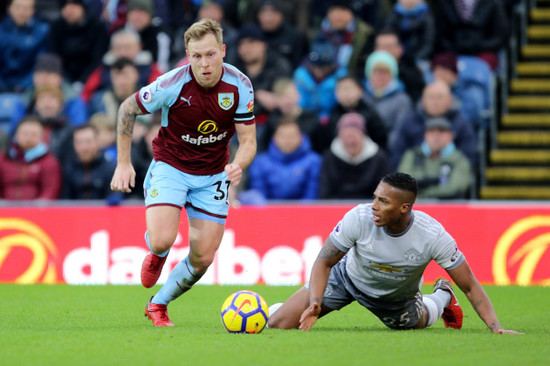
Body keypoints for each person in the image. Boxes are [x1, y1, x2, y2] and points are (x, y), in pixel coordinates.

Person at [110, 19, 257, 327]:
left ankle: (158, 304)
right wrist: (123, 163)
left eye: (210, 54)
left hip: (214, 173)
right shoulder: (172, 83)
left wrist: (237, 165)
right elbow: (127, 108)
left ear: (223, 51)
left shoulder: (240, 85)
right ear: (188, 56)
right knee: (164, 239)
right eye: (196, 56)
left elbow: (248, 141)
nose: (204, 64)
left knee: (203, 257)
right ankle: (157, 253)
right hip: (171, 166)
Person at [268, 172, 522, 335]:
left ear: (404, 207)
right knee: (278, 323)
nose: (374, 207)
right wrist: (315, 300)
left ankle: (443, 295)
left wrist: (496, 328)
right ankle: (277, 309)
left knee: (418, 322)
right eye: (375, 198)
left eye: (384, 202)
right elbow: (323, 262)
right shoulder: (358, 217)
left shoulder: (432, 235)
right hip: (347, 279)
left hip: (396, 298)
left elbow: (470, 285)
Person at [391, 80, 477, 169]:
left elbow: (468, 157)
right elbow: (398, 154)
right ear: (423, 100)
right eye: (431, 97)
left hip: (450, 173)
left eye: (440, 97)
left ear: (450, 100)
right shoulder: (410, 121)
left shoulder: (461, 124)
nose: (435, 102)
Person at [319, 112, 391, 199]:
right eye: (346, 136)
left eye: (353, 135)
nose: (350, 141)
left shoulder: (379, 158)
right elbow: (325, 193)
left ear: (363, 135)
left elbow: (384, 194)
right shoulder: (329, 157)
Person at [247, 118, 322, 201]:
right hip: (268, 212)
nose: (287, 140)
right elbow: (259, 197)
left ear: (301, 138)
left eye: (291, 136)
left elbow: (312, 196)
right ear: (274, 138)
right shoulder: (259, 163)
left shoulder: (314, 161)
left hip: (305, 212)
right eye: (282, 136)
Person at [397, 117, 472, 199]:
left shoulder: (459, 160)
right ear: (425, 136)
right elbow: (402, 184)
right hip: (414, 208)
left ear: (451, 136)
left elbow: (456, 188)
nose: (436, 136)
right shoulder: (412, 155)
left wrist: (422, 189)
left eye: (441, 131)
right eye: (431, 132)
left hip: (446, 208)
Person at [48, 0, 109, 86]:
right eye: (65, 6)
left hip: (91, 80)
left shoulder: (97, 27)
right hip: (63, 80)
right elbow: (54, 57)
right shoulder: (56, 27)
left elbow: (97, 60)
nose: (69, 10)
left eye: (74, 5)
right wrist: (67, 82)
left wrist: (82, 82)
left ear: (82, 7)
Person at [0, 115, 61, 200]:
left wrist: (37, 209)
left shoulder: (49, 161)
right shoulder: (3, 158)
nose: (29, 137)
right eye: (25, 133)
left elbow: (50, 191)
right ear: (17, 134)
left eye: (34, 134)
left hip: (36, 211)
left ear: (41, 137)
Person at [363, 50, 412, 149]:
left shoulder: (402, 100)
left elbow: (399, 130)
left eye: (385, 72)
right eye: (376, 72)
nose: (380, 76)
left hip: (388, 149)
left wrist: (380, 148)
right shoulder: (362, 96)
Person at [0, 0, 50, 92]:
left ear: (33, 10)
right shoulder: (1, 31)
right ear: (9, 8)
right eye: (18, 7)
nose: (22, 12)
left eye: (26, 8)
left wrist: (22, 86)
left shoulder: (42, 32)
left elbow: (40, 64)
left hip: (30, 87)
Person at [62, 124, 117, 200]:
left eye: (88, 142)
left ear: (97, 141)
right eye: (79, 142)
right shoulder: (69, 169)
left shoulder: (110, 169)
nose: (84, 147)